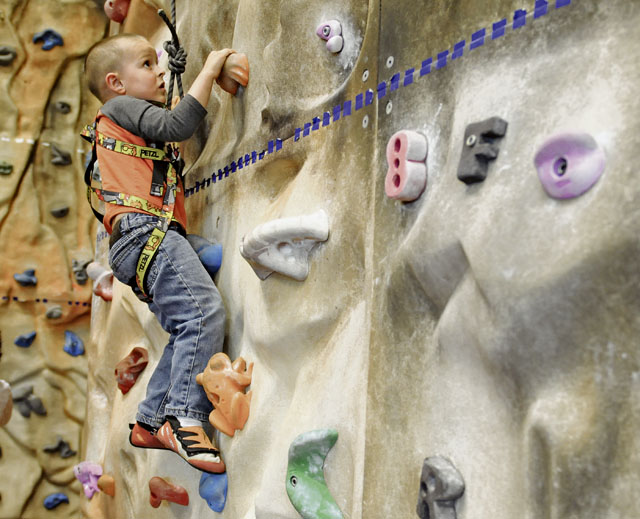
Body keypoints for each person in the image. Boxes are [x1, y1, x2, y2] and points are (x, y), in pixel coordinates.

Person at [83, 33, 235, 473]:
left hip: (137, 240)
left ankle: (150, 419)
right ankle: (183, 418)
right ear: (116, 82)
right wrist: (208, 71)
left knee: (185, 325)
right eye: (147, 65)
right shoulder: (118, 108)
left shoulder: (123, 117)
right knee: (203, 314)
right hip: (146, 231)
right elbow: (174, 126)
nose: (159, 72)